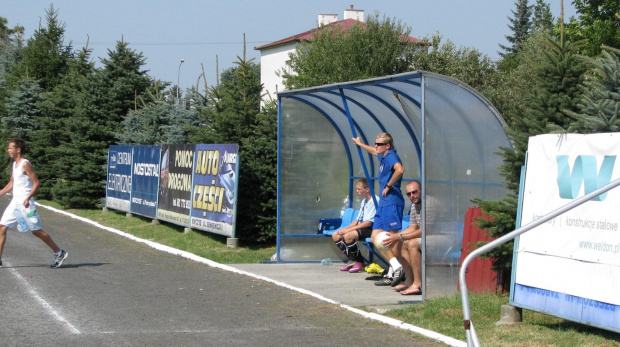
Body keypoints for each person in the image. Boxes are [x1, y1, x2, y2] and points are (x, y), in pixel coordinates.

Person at [0, 137, 68, 269]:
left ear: (17, 150)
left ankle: (59, 252)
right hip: (15, 202)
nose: (8, 150)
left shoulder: (25, 164)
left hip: (26, 203)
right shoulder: (15, 164)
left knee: (36, 231)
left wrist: (28, 197)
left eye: (10, 148)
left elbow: (37, 183)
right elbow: (11, 184)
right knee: (2, 227)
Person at [352, 132, 406, 287]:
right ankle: (396, 267)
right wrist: (360, 144)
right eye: (375, 143)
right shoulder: (383, 155)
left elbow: (400, 170)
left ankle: (393, 272)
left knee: (390, 238)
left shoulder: (390, 156)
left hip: (392, 202)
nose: (376, 146)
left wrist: (389, 185)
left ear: (387, 146)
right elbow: (374, 151)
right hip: (383, 204)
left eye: (379, 144)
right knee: (376, 236)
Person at [384, 180, 423, 295]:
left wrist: (399, 236)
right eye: (409, 194)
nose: (412, 196)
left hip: (442, 237)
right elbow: (412, 227)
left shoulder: (428, 204)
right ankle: (409, 280)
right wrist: (395, 236)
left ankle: (418, 283)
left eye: (414, 192)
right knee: (401, 242)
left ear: (421, 191)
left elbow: (424, 231)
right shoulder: (414, 206)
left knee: (412, 243)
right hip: (428, 236)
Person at [332, 178, 378, 273]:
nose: (357, 191)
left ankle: (360, 262)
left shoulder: (375, 201)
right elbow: (357, 220)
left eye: (359, 189)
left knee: (348, 235)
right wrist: (345, 229)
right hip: (362, 226)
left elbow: (368, 222)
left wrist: (349, 230)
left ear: (367, 189)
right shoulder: (364, 201)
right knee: (336, 235)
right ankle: (352, 260)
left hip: (371, 228)